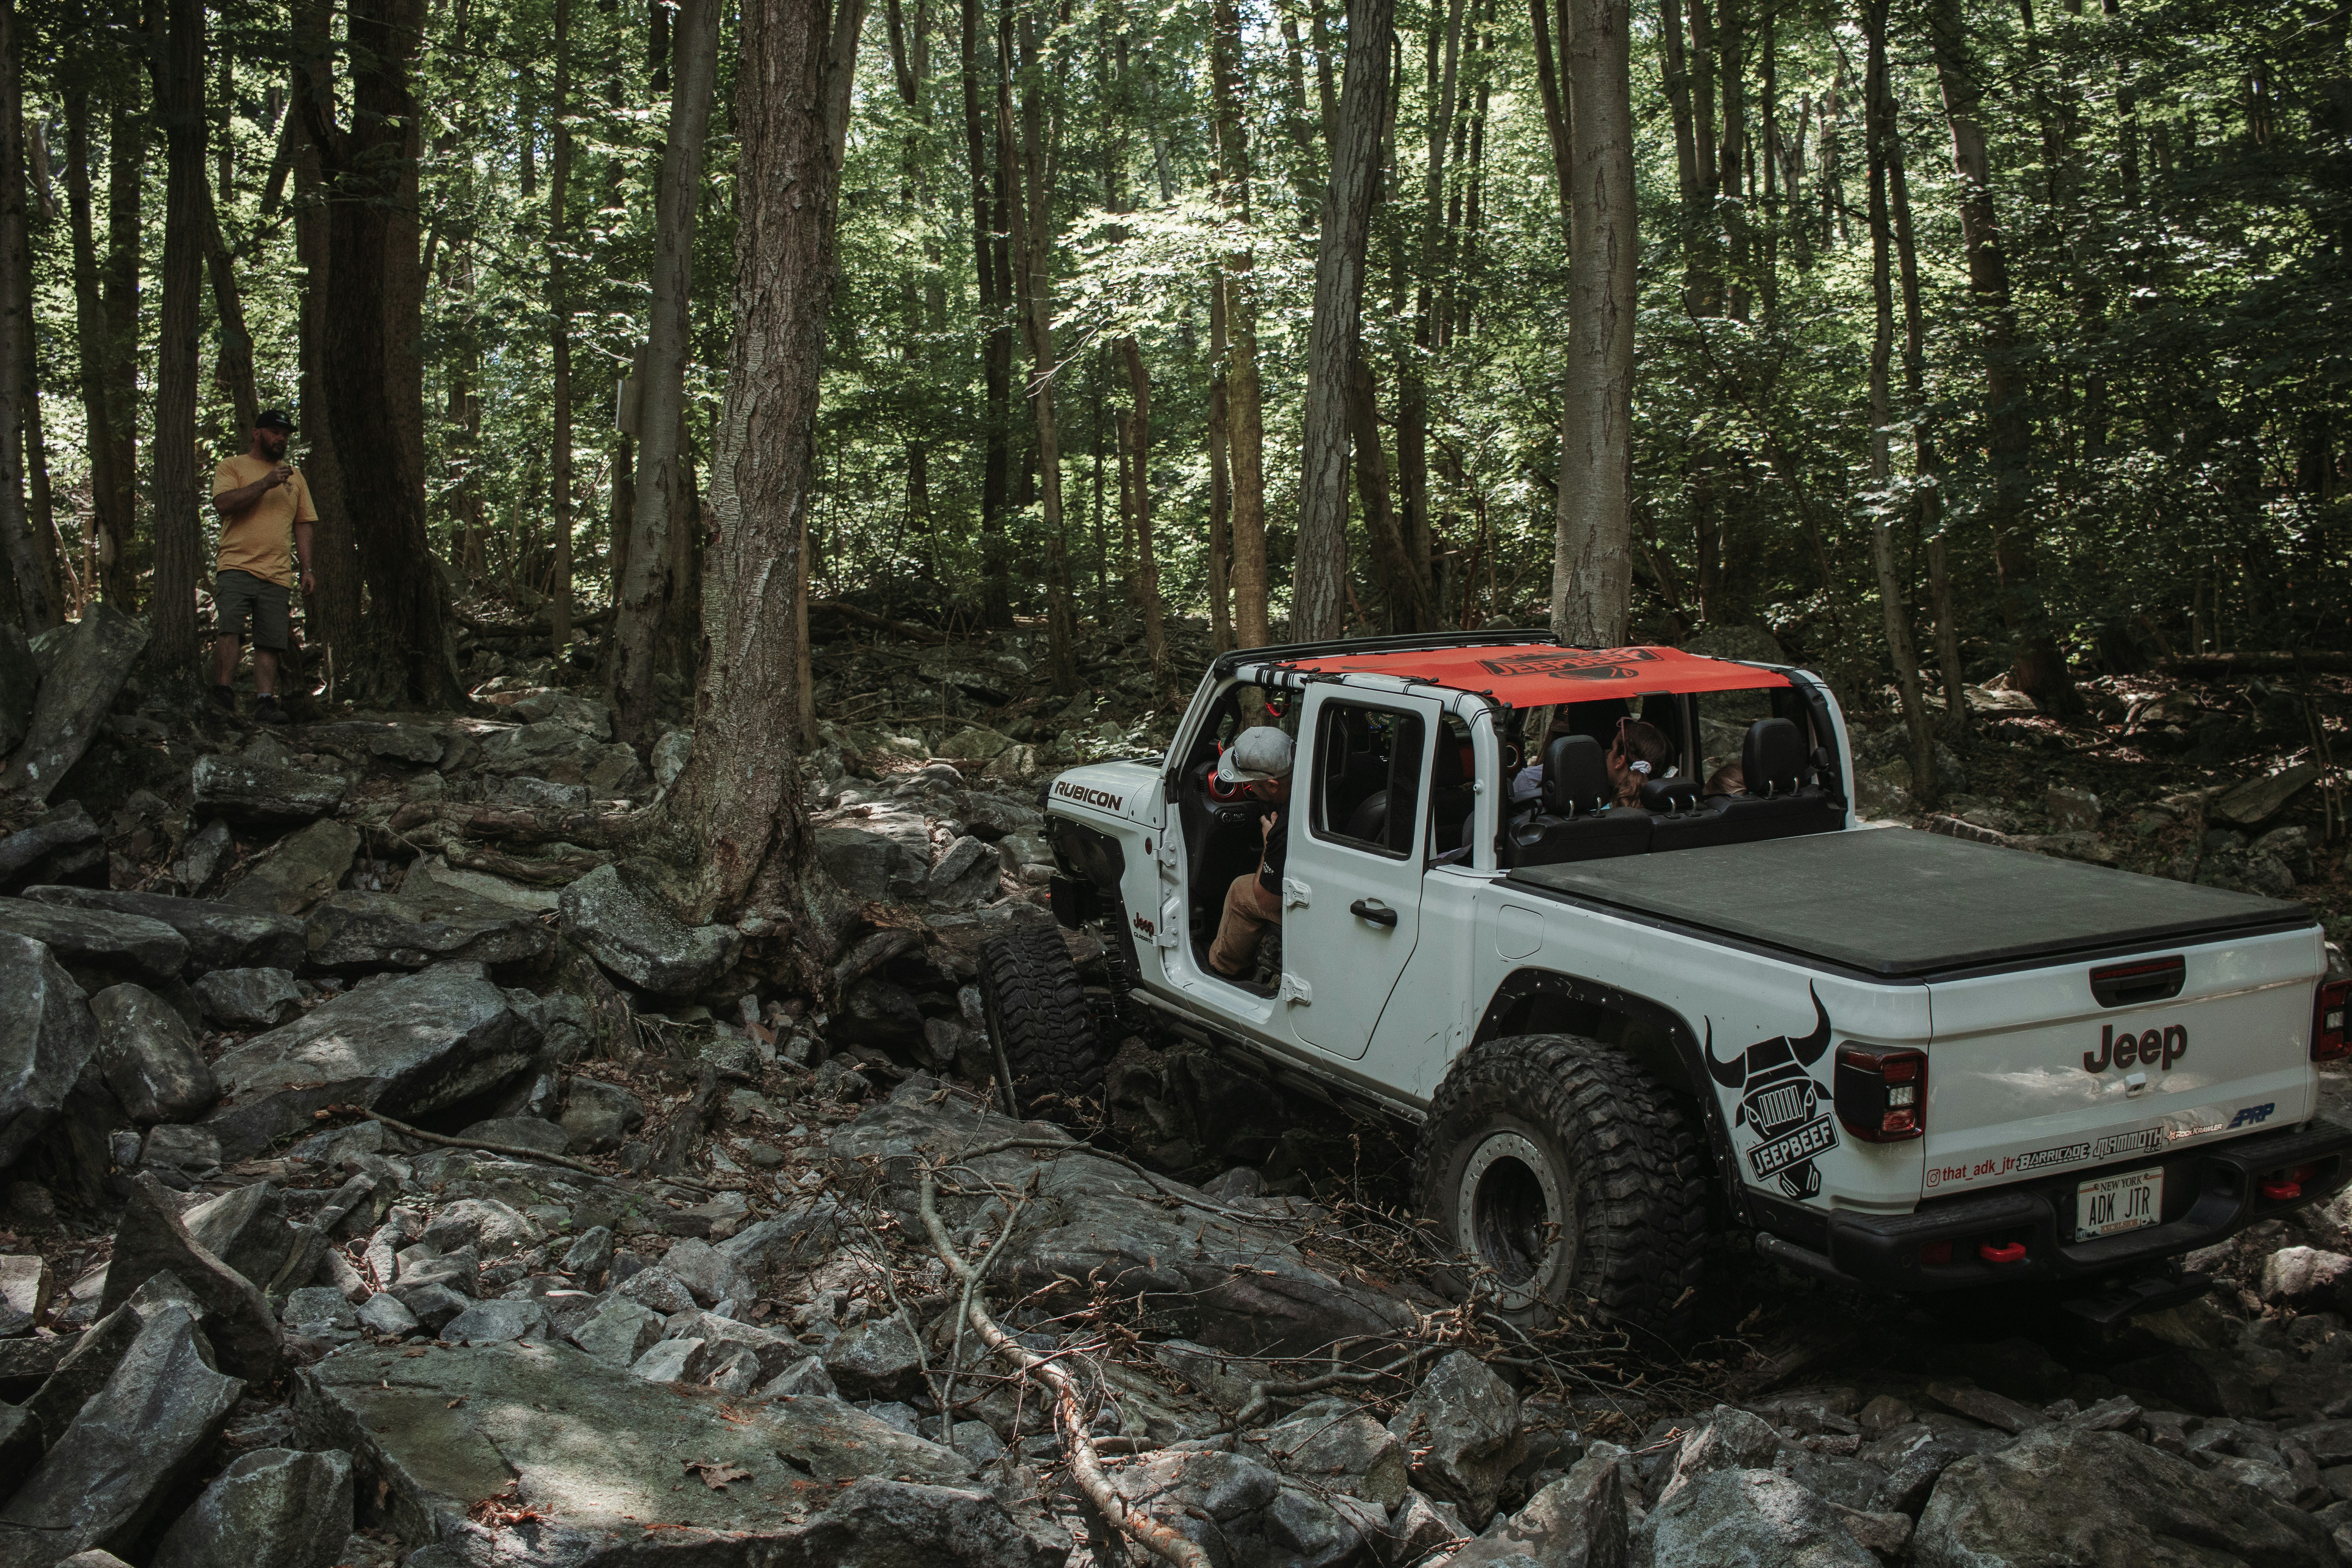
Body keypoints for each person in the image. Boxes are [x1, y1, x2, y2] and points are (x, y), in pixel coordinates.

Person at [210, 408, 318, 725]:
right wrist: (265, 483)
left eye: (285, 434)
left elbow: (304, 523)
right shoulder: (233, 466)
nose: (281, 439)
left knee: (270, 640)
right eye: (274, 432)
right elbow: (223, 504)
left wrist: (308, 568)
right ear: (257, 433)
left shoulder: (295, 476)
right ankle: (223, 695)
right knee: (230, 627)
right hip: (236, 564)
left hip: (278, 573)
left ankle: (264, 702)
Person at [1207, 726, 1294, 980]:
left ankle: (1224, 970)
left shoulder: (1284, 832)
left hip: (1321, 906)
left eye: (1250, 783)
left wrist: (1269, 844)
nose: (1247, 787)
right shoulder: (1323, 768)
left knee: (1239, 891)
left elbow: (1267, 901)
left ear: (1272, 785)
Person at [1606, 717, 1675, 807]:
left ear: (1620, 761)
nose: (1608, 753)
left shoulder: (1599, 816)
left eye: (1612, 749)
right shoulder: (1671, 810)